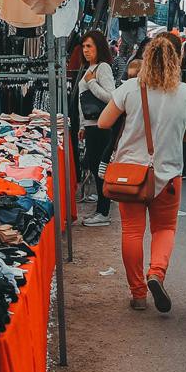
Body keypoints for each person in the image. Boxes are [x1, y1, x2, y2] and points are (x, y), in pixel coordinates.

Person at [97, 34, 186, 313]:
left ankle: (138, 293)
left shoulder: (131, 89)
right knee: (165, 229)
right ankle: (156, 272)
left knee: (132, 231)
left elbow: (103, 121)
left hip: (130, 175)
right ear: (177, 61)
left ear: (146, 60)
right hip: (168, 176)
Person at [75, 30, 117, 228]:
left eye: (89, 46)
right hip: (92, 126)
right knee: (94, 167)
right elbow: (83, 102)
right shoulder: (90, 68)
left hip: (101, 126)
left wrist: (91, 82)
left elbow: (111, 97)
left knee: (100, 169)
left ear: (99, 47)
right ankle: (101, 208)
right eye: (83, 46)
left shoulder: (103, 68)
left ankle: (103, 211)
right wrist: (83, 125)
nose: (85, 50)